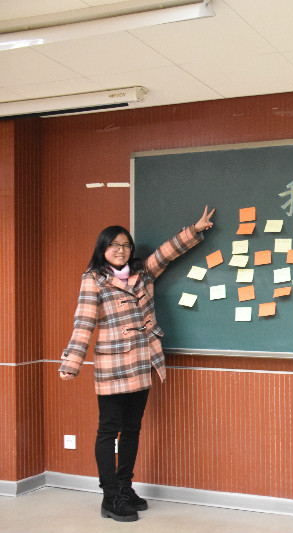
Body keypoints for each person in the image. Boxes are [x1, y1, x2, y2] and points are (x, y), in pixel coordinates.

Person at [58, 206, 216, 522]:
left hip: (142, 363)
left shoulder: (141, 273)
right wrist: (71, 362)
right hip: (113, 367)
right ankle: (110, 497)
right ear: (103, 249)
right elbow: (83, 322)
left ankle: (125, 487)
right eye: (114, 245)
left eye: (126, 245)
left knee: (132, 429)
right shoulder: (94, 280)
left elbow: (165, 254)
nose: (121, 250)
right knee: (109, 430)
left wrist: (195, 230)